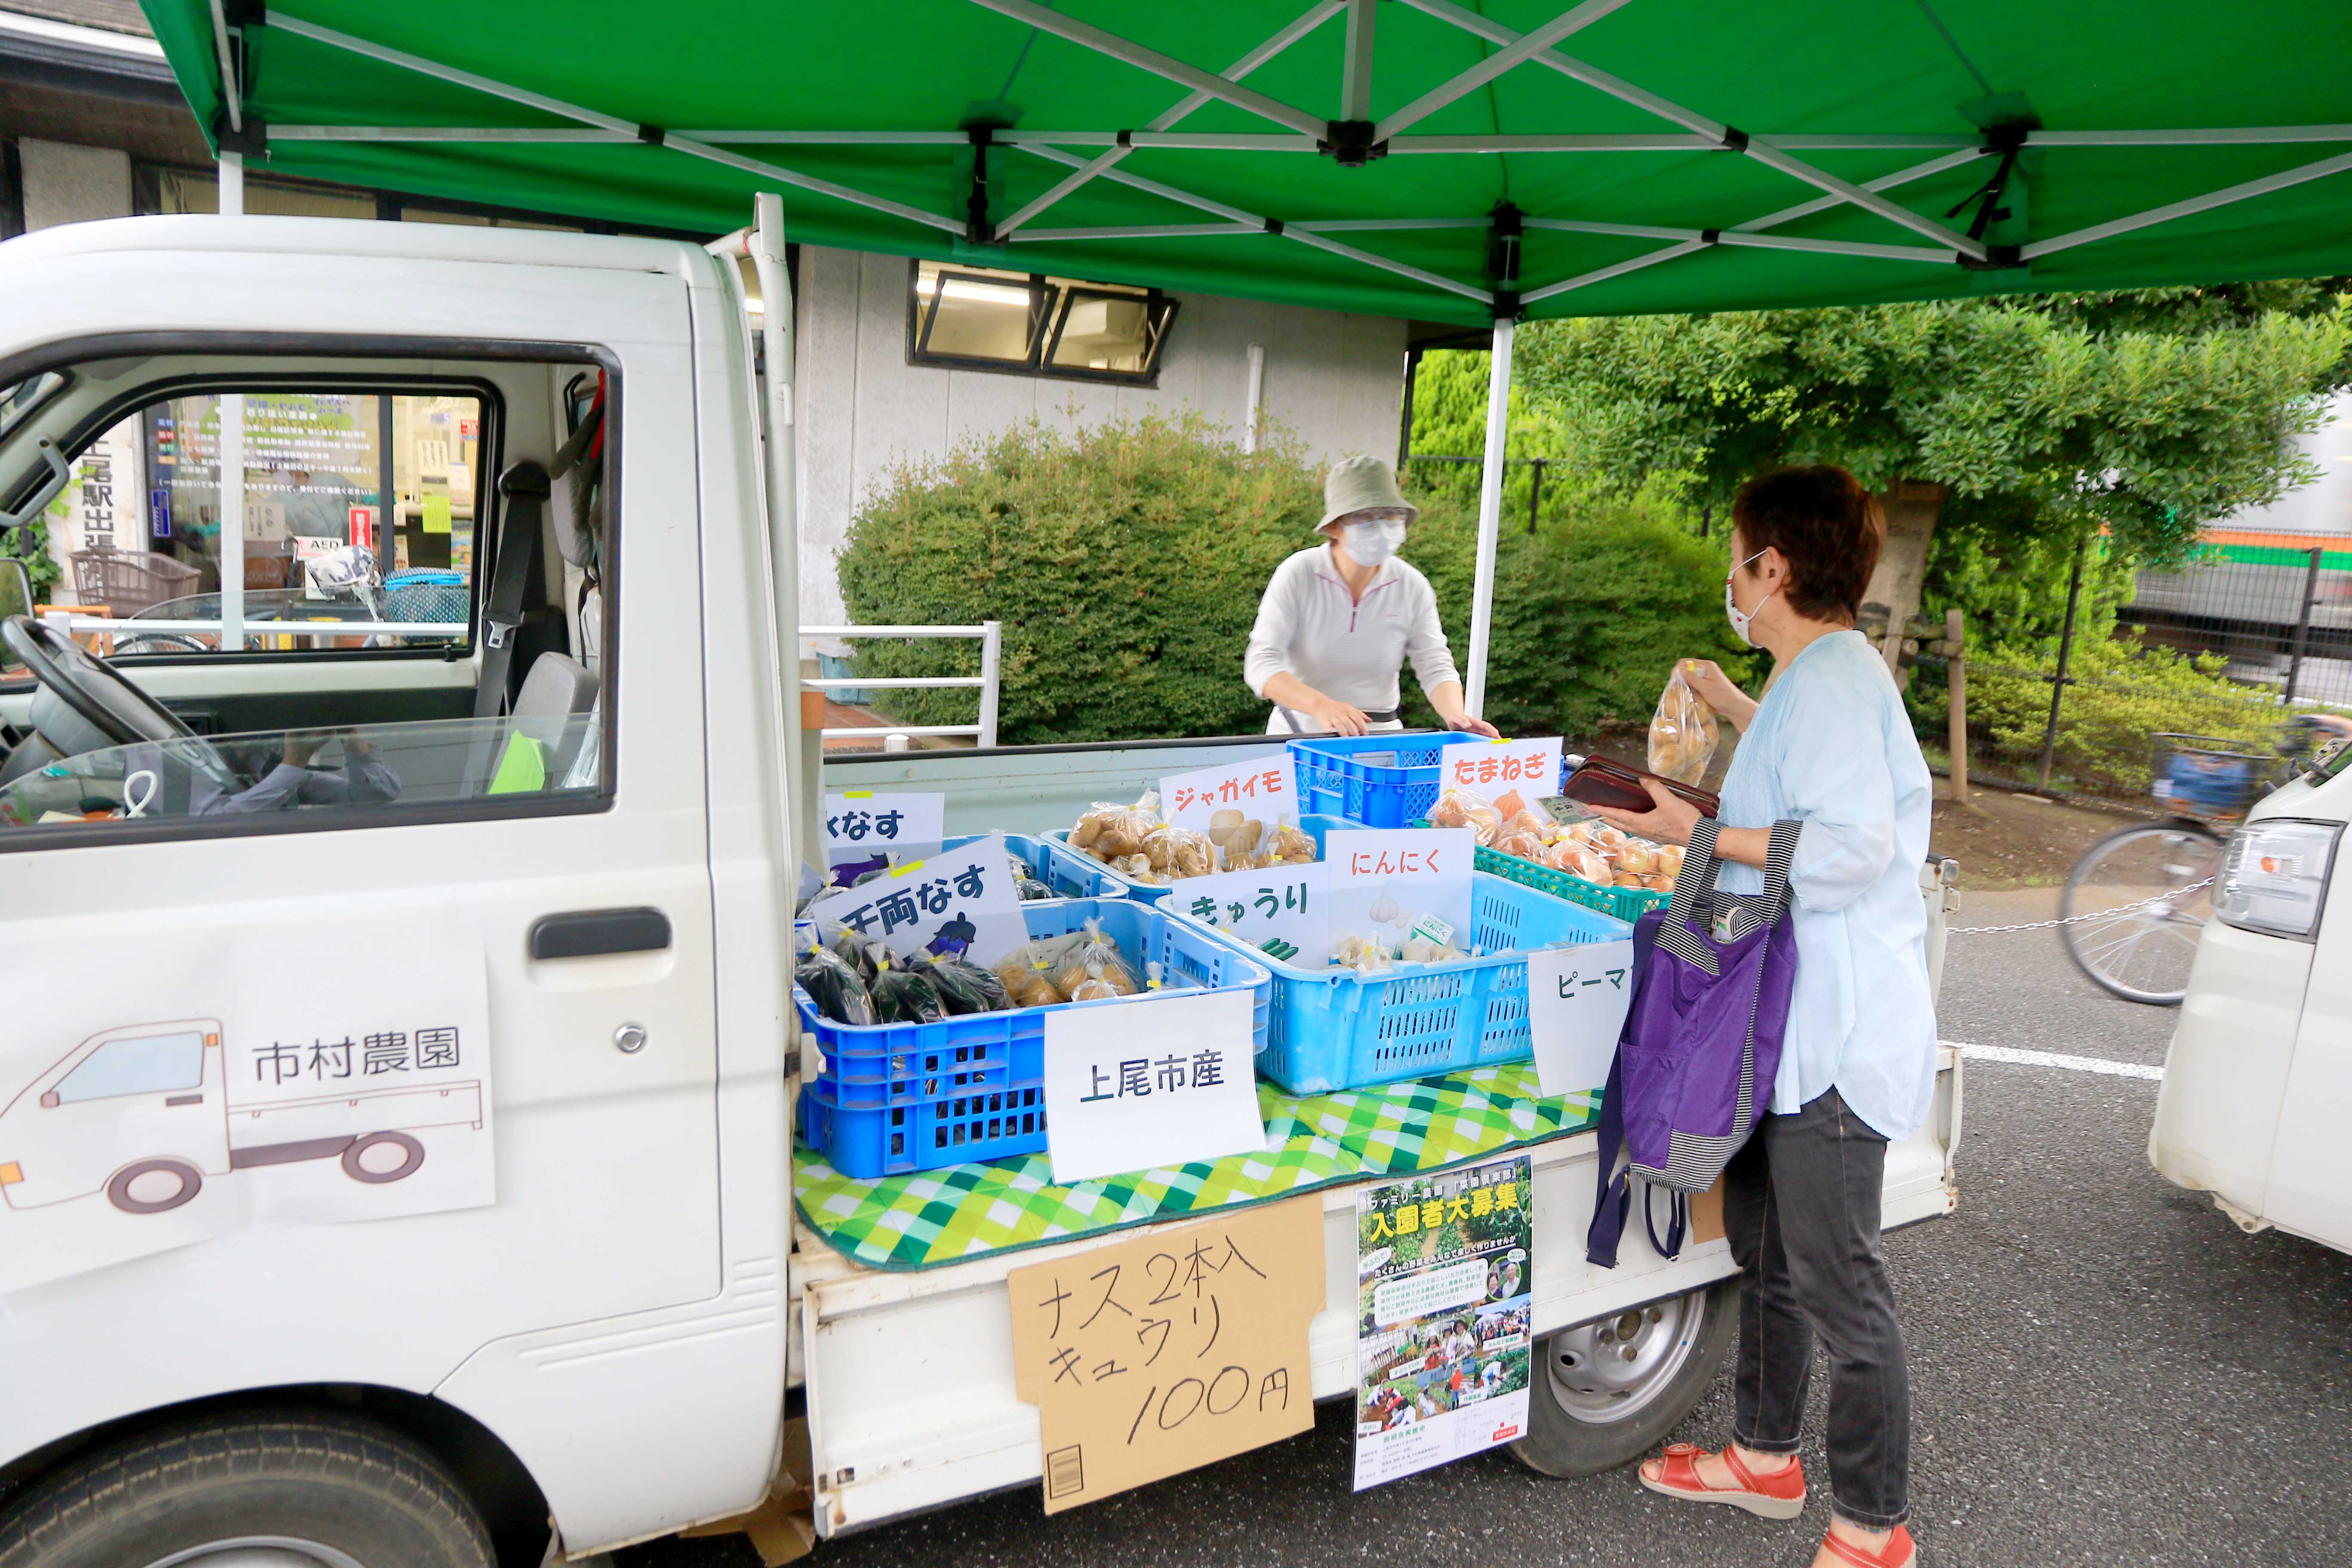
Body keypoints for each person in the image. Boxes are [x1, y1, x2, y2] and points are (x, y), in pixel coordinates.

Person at [1588, 466, 1934, 1568]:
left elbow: (1845, 850)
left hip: (1836, 1037)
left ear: (1770, 566)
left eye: (1738, 555)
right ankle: (1763, 1457)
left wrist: (1678, 832)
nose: (1730, 578)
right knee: (1771, 1257)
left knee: (1837, 1282)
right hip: (1790, 1025)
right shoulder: (1813, 669)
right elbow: (1798, 780)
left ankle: (1872, 1527)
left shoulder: (1830, 682)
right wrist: (1734, 713)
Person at [1245, 455, 1500, 738]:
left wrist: (1456, 716)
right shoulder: (1299, 573)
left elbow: (1434, 662)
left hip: (1382, 742)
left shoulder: (1411, 585)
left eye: (1390, 514)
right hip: (1297, 738)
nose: (1380, 526)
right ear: (1334, 527)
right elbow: (1260, 663)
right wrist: (1322, 706)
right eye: (1364, 516)